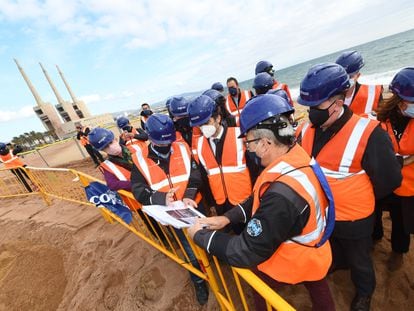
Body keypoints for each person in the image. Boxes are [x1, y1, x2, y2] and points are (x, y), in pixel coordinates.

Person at [188, 94, 335, 311]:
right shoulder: (295, 157)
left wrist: (200, 236)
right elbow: (257, 197)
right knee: (318, 287)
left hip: (294, 255)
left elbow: (245, 250)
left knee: (261, 286)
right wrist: (226, 218)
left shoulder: (281, 194)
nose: (249, 150)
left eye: (249, 143)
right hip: (313, 247)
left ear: (265, 143)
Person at [296, 63, 402, 310]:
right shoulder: (305, 130)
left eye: (316, 106)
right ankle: (338, 263)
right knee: (335, 249)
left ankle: (364, 293)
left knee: (360, 260)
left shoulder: (368, 133)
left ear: (337, 102)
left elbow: (389, 180)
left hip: (355, 217)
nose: (311, 112)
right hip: (324, 215)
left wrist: (361, 195)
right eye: (309, 106)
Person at [129, 113, 209, 305]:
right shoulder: (139, 160)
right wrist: (161, 198)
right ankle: (198, 280)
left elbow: (196, 174)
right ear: (150, 138)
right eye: (162, 143)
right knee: (189, 250)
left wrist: (189, 196)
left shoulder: (181, 147)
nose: (167, 146)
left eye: (168, 142)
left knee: (206, 236)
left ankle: (212, 263)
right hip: (173, 216)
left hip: (195, 207)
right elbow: (139, 191)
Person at [187, 95, 257, 224]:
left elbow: (255, 169)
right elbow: (204, 176)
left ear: (218, 118)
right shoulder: (200, 144)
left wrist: (256, 197)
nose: (203, 128)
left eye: (206, 123)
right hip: (221, 203)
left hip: (244, 202)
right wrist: (212, 204)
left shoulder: (239, 136)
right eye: (200, 125)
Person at [373, 67, 414, 270]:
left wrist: (400, 161)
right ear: (399, 100)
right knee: (375, 212)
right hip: (386, 180)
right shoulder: (382, 119)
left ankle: (398, 252)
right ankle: (375, 237)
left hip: (409, 187)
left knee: (402, 223)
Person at [335, 51, 383, 116]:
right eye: (342, 77)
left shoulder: (374, 93)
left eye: (350, 77)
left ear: (358, 76)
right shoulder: (329, 97)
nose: (345, 80)